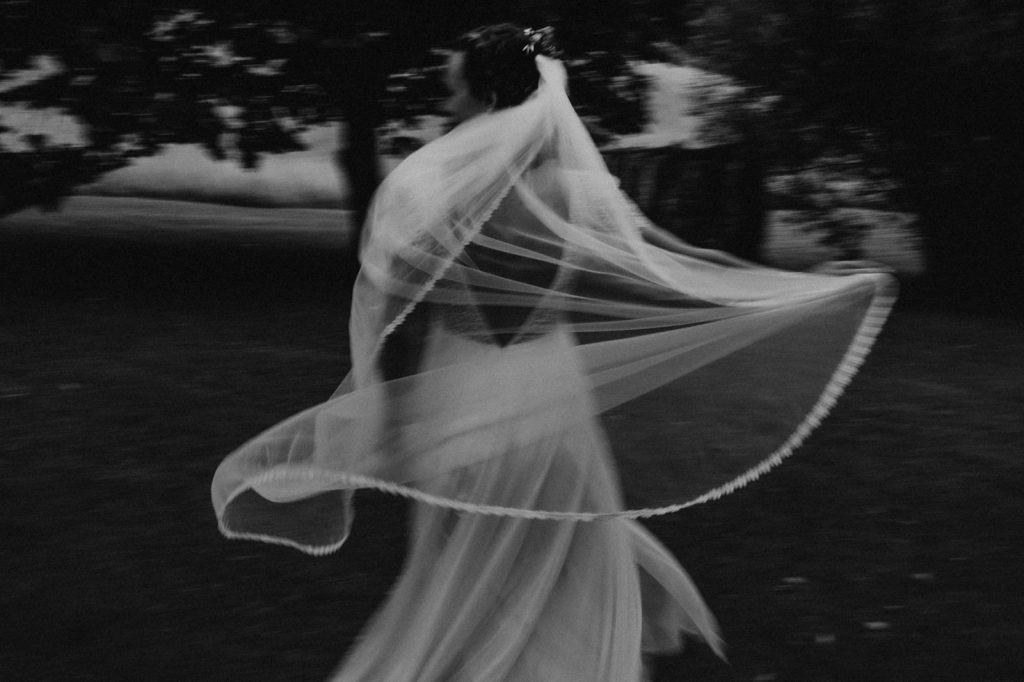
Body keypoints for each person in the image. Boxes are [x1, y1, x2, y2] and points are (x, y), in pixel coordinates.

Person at [212, 24, 896, 681]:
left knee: (464, 546)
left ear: (487, 96)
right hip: (547, 387)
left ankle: (487, 657)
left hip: (462, 384)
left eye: (454, 88)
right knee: (560, 536)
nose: (447, 101)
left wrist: (386, 409)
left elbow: (399, 310)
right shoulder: (576, 191)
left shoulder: (435, 190)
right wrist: (806, 286)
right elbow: (680, 260)